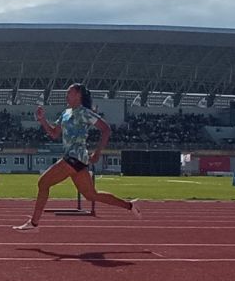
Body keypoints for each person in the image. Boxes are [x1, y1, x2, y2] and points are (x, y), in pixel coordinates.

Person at [13, 83, 141, 232]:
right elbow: (54, 133)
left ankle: (34, 224)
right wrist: (42, 120)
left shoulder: (85, 112)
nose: (66, 95)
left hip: (75, 157)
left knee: (43, 183)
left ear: (78, 94)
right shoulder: (66, 113)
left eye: (69, 92)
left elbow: (106, 129)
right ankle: (131, 205)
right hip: (75, 160)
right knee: (91, 195)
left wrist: (98, 152)